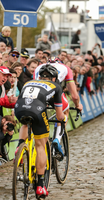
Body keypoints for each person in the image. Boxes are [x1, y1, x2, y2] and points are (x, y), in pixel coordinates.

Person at [14, 65, 69, 197]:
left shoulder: (29, 82)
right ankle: (40, 185)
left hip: (19, 108)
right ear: (55, 78)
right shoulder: (56, 86)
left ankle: (20, 147)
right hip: (37, 110)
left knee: (25, 123)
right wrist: (64, 118)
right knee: (41, 145)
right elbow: (59, 115)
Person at [33, 60, 83, 154]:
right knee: (63, 112)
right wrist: (77, 105)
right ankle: (57, 138)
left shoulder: (38, 68)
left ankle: (23, 145)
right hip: (53, 90)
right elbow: (75, 96)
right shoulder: (66, 68)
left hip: (36, 93)